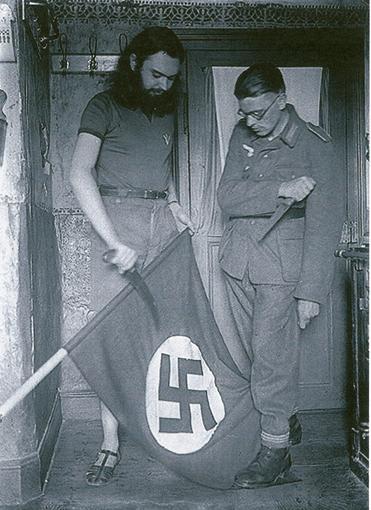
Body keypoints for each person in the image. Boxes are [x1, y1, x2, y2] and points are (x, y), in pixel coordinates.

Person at [69, 26, 194, 487]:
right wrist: (112, 241)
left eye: (171, 78)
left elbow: (162, 173)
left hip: (160, 226)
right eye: (157, 74)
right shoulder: (102, 106)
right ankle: (110, 441)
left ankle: (159, 430)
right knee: (114, 340)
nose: (164, 84)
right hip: (114, 228)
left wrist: (176, 204)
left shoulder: (166, 110)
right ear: (136, 62)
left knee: (163, 336)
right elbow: (79, 173)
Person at [217, 63, 342, 489]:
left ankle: (276, 453)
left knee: (271, 361)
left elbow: (325, 222)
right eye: (244, 114)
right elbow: (227, 197)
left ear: (282, 100)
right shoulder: (242, 135)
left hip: (282, 269)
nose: (250, 122)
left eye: (258, 113)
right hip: (237, 261)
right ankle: (285, 417)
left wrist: (311, 291)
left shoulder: (314, 142)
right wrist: (280, 190)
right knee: (258, 356)